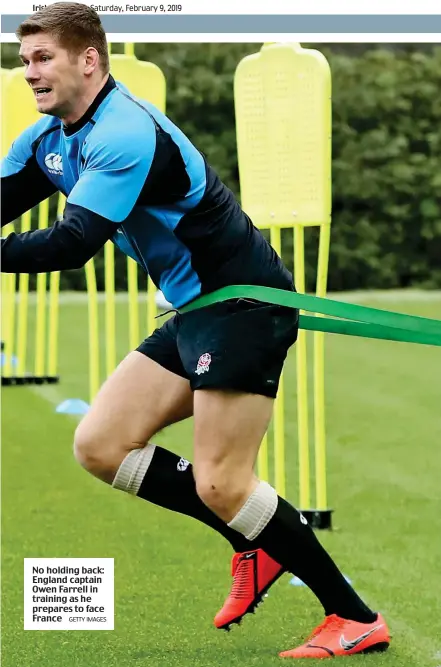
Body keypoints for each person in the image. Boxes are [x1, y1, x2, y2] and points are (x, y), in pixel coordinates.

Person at [1, 3, 390, 659]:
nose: (29, 71)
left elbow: (73, 243)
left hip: (242, 304)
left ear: (89, 60)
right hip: (193, 309)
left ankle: (353, 616)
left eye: (43, 58)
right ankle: (252, 541)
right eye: (24, 59)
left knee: (222, 482)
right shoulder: (48, 138)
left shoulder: (122, 132)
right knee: (100, 443)